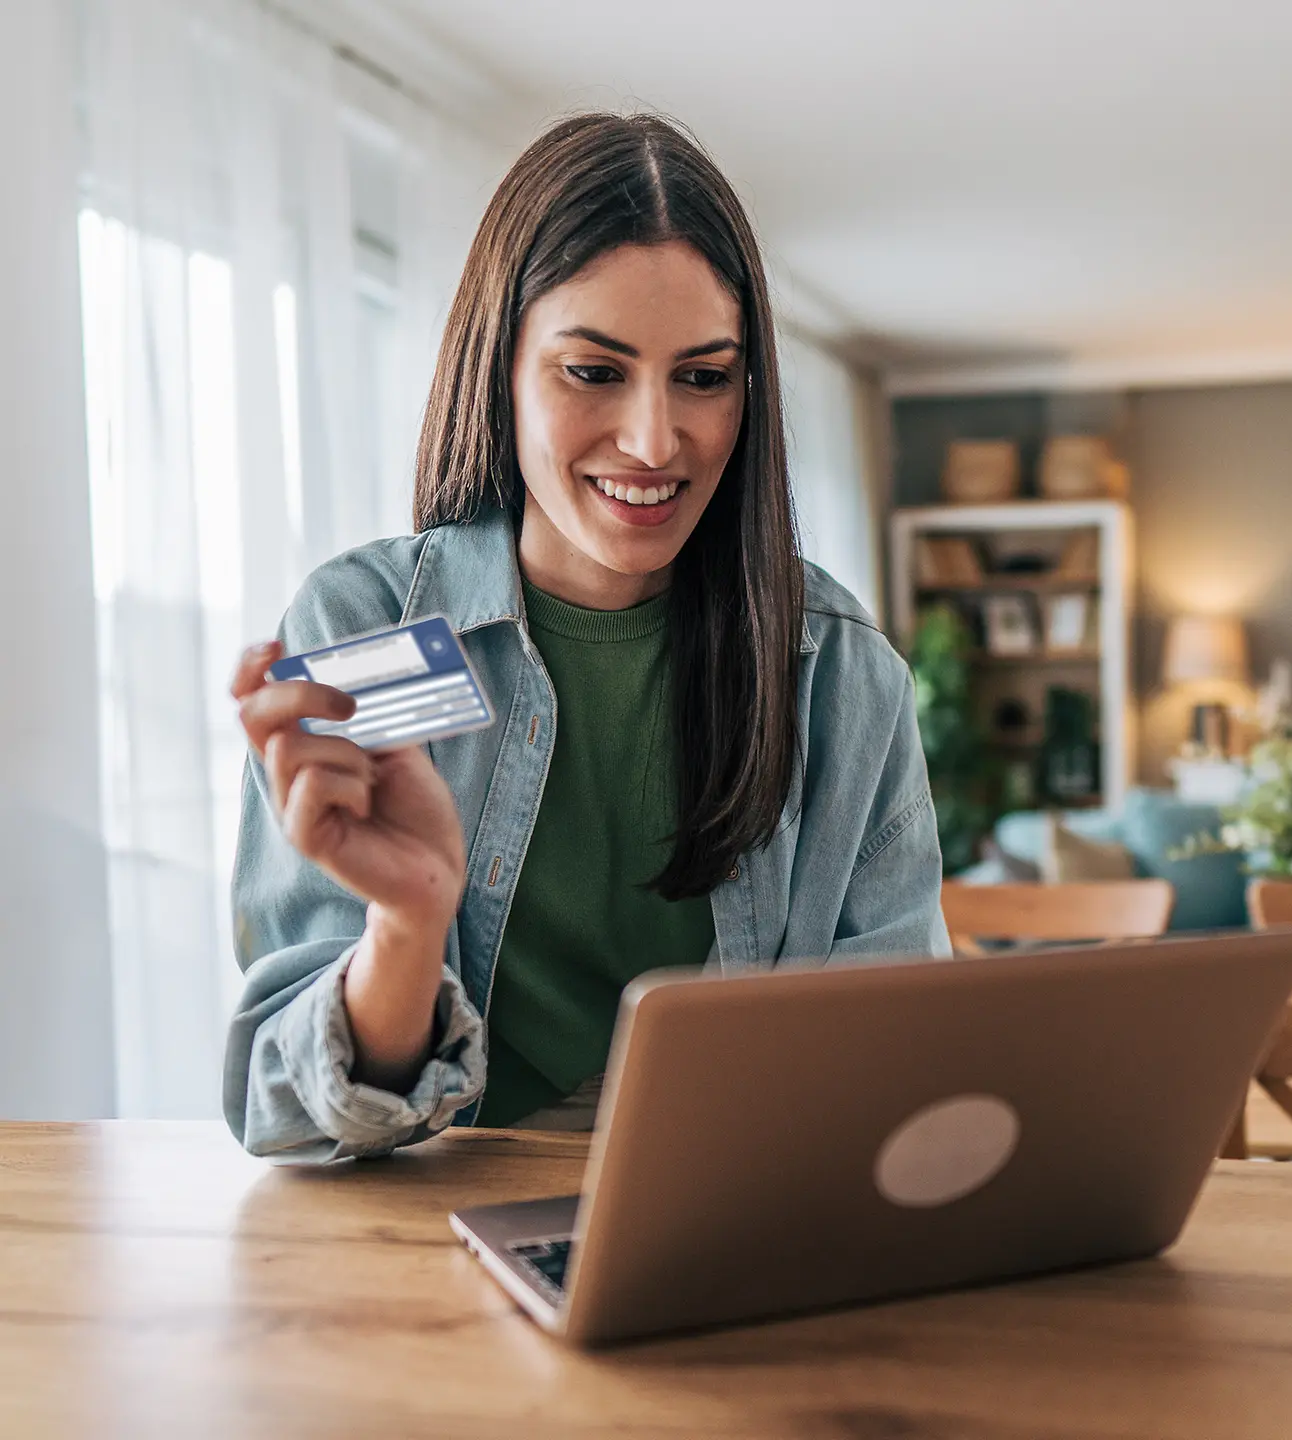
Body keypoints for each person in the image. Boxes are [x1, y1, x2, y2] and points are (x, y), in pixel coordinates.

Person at [225, 113, 949, 1163]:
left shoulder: (836, 674)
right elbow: (288, 1108)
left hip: (735, 1204)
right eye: (594, 372)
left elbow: (896, 1072)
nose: (654, 441)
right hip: (439, 1225)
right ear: (502, 369)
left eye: (703, 377)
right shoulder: (379, 633)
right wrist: (408, 927)